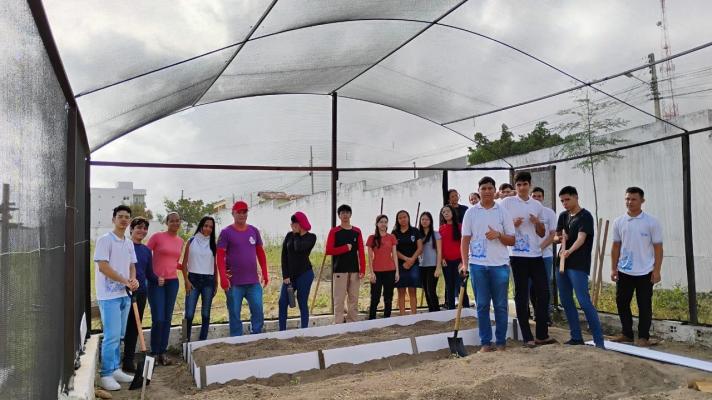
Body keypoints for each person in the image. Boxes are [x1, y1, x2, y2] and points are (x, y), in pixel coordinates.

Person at [501, 172, 555, 347]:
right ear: (515, 186)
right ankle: (527, 336)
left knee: (544, 293)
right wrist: (513, 224)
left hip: (536, 254)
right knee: (521, 295)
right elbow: (500, 227)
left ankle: (542, 334)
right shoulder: (507, 203)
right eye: (519, 184)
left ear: (530, 185)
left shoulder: (537, 205)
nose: (522, 187)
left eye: (525, 184)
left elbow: (541, 232)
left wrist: (537, 223)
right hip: (517, 255)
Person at [461, 177, 515, 352]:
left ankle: (500, 342)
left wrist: (498, 235)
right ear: (479, 190)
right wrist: (465, 264)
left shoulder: (503, 212)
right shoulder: (471, 213)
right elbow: (465, 240)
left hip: (499, 265)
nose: (487, 191)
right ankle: (485, 342)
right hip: (477, 265)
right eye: (483, 188)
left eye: (490, 188)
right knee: (482, 305)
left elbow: (512, 240)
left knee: (500, 305)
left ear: (494, 190)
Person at [610, 187, 663, 347]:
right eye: (627, 199)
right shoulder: (619, 222)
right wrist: (613, 268)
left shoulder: (652, 222)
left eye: (633, 199)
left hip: (645, 271)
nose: (630, 202)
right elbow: (615, 246)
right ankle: (626, 334)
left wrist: (657, 270)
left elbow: (658, 248)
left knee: (644, 305)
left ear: (642, 201)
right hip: (624, 270)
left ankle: (643, 337)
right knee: (622, 302)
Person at [94, 205, 139, 391]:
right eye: (120, 216)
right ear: (113, 219)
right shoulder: (105, 240)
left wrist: (133, 279)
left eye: (127, 217)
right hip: (108, 296)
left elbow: (132, 265)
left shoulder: (128, 243)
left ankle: (115, 369)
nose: (124, 219)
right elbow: (103, 267)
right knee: (111, 336)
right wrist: (124, 281)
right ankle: (105, 374)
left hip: (125, 295)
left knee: (119, 335)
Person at [555, 186, 605, 348]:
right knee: (566, 300)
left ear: (576, 197)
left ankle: (599, 341)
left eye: (567, 199)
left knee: (583, 300)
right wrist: (560, 238)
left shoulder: (585, 216)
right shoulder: (563, 216)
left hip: (578, 264)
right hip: (562, 263)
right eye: (562, 201)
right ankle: (576, 337)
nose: (564, 203)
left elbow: (581, 238)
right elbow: (556, 236)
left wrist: (569, 251)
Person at [217, 201, 269, 336]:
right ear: (233, 214)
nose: (242, 215)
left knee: (258, 310)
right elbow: (220, 256)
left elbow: (260, 253)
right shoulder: (226, 232)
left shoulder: (254, 231)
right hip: (234, 283)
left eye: (244, 212)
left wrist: (265, 273)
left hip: (253, 281)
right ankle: (236, 339)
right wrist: (223, 278)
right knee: (234, 313)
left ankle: (256, 335)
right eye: (238, 212)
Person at [146, 211, 184, 365]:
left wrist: (187, 268)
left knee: (167, 318)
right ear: (166, 222)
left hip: (172, 282)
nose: (175, 223)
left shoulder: (180, 241)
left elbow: (174, 261)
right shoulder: (157, 237)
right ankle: (154, 352)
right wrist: (152, 276)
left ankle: (163, 352)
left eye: (177, 220)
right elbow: (145, 256)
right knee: (158, 318)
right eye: (172, 220)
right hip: (157, 283)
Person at [326, 204, 366, 323]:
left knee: (354, 297)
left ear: (350, 214)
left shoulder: (357, 231)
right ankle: (338, 322)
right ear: (339, 215)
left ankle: (352, 321)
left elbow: (361, 251)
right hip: (340, 270)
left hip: (354, 270)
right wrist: (345, 248)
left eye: (347, 212)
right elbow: (328, 250)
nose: (345, 215)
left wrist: (363, 269)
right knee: (339, 298)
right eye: (342, 213)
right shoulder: (334, 231)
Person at [122, 216, 152, 374]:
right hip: (124, 292)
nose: (142, 230)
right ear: (131, 229)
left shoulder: (146, 251)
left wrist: (161, 279)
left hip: (141, 294)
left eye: (145, 228)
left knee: (135, 327)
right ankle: (115, 361)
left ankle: (128, 361)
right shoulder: (125, 246)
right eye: (139, 227)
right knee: (122, 328)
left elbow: (149, 273)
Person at [181, 216, 218, 342]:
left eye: (211, 227)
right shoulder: (191, 241)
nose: (208, 229)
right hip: (193, 280)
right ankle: (186, 341)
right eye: (206, 225)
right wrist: (186, 281)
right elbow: (184, 264)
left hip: (209, 281)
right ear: (201, 226)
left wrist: (216, 282)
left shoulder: (213, 244)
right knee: (189, 313)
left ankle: (203, 341)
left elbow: (215, 265)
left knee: (206, 314)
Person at [279, 212, 317, 330]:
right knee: (282, 302)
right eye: (292, 223)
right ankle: (282, 331)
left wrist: (296, 234)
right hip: (290, 276)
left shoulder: (311, 237)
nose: (292, 225)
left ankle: (304, 330)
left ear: (301, 223)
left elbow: (298, 247)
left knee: (302, 301)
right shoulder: (289, 235)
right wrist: (285, 275)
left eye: (295, 223)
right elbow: (284, 256)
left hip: (304, 274)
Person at [530, 187, 557, 324]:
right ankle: (536, 312)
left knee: (544, 285)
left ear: (543, 197)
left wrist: (540, 248)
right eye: (534, 196)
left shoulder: (549, 213)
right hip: (528, 257)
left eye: (539, 196)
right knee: (531, 286)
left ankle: (546, 315)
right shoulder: (526, 213)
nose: (537, 198)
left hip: (545, 255)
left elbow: (553, 234)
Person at [366, 215, 399, 319]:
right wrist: (371, 273)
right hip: (376, 271)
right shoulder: (372, 238)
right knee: (375, 297)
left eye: (385, 222)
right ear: (377, 224)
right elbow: (370, 257)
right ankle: (372, 318)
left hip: (390, 271)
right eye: (381, 222)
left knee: (388, 297)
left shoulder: (391, 237)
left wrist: (397, 271)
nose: (383, 224)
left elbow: (394, 255)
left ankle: (387, 318)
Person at [439, 204, 470, 310]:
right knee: (449, 286)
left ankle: (466, 308)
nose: (446, 213)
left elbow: (465, 244)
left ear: (452, 212)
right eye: (443, 212)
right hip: (446, 262)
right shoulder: (441, 229)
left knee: (461, 285)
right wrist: (442, 258)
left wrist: (462, 261)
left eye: (448, 211)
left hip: (459, 261)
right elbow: (440, 246)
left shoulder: (460, 227)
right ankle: (451, 309)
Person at [393, 210, 423, 315]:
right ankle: (402, 316)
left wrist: (411, 260)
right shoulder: (395, 233)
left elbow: (420, 248)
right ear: (397, 220)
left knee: (412, 290)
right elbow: (394, 250)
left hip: (414, 264)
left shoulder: (415, 231)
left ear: (408, 218)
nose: (403, 219)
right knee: (401, 291)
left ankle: (413, 315)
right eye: (400, 218)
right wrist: (406, 259)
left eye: (404, 217)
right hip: (400, 265)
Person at [419, 212, 442, 312]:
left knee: (431, 290)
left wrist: (438, 267)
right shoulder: (418, 234)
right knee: (425, 290)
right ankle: (431, 311)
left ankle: (436, 311)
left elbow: (439, 251)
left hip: (433, 266)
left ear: (431, 221)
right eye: (423, 219)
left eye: (427, 219)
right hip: (421, 265)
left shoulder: (436, 234)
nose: (424, 221)